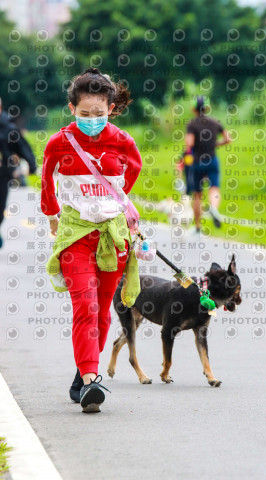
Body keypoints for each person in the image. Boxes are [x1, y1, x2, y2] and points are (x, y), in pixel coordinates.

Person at [41, 67, 143, 413]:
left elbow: (135, 169)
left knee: (101, 316)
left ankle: (86, 371)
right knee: (86, 307)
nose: (92, 120)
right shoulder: (59, 142)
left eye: (99, 114)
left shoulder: (122, 140)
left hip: (112, 236)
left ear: (110, 109)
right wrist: (52, 213)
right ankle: (89, 383)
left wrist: (116, 200)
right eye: (85, 114)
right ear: (73, 109)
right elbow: (46, 178)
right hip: (75, 235)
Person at [183, 95, 231, 231]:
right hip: (212, 160)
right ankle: (214, 208)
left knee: (197, 194)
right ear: (207, 108)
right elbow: (228, 138)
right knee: (214, 188)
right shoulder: (215, 122)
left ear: (194, 109)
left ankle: (198, 227)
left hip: (197, 162)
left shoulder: (192, 124)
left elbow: (189, 144)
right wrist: (216, 143)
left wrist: (186, 157)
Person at [0, 98, 37, 247]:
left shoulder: (8, 128)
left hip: (2, 175)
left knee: (0, 206)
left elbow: (23, 147)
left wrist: (31, 165)